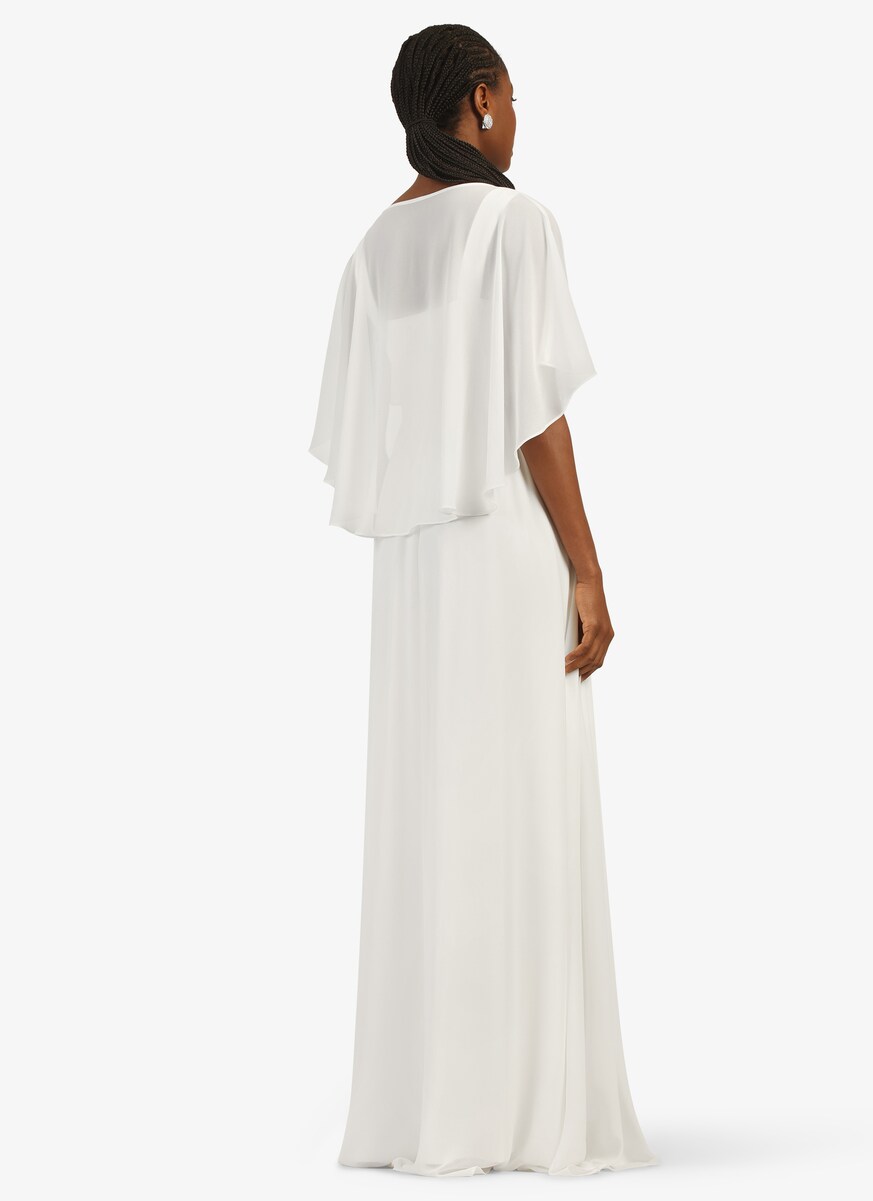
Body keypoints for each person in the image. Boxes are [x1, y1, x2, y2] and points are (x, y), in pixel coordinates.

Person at [308, 23, 659, 1177]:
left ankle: (434, 1106)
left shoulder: (374, 246)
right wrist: (588, 566)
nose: (518, 118)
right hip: (504, 545)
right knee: (521, 801)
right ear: (481, 97)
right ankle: (528, 1105)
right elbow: (536, 414)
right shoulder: (515, 222)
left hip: (414, 569)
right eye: (512, 96)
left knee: (437, 807)